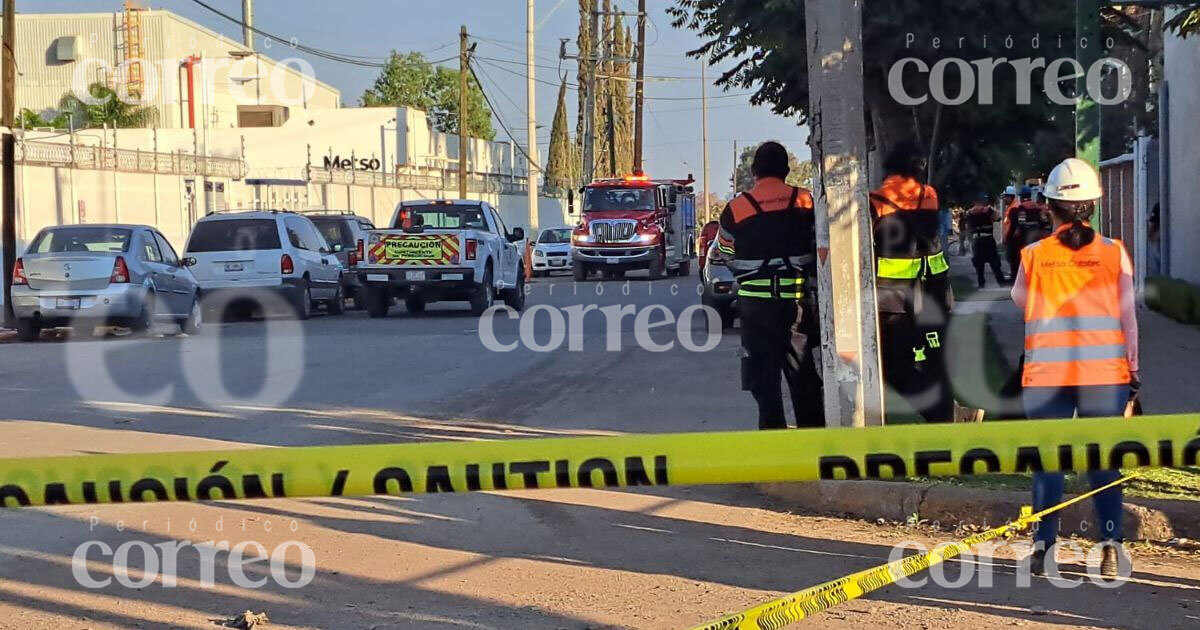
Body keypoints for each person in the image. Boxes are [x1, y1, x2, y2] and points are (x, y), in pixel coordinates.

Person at [1011, 157, 1138, 578]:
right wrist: (1132, 373)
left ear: (1050, 206)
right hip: (1106, 377)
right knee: (1104, 462)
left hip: (1047, 377)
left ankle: (1044, 549)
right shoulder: (1113, 253)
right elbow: (1127, 319)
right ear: (1094, 206)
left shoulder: (1033, 255)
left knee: (1049, 461)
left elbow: (1019, 302)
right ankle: (1110, 546)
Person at [716, 141, 824, 429]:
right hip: (796, 303)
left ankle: (772, 437)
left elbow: (723, 252)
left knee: (763, 381)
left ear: (754, 172)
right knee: (803, 375)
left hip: (755, 308)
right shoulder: (805, 201)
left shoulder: (737, 207)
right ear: (787, 170)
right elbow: (821, 244)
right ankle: (814, 441)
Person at [869, 139, 954, 423]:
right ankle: (944, 414)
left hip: (890, 299)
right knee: (933, 359)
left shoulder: (875, 201)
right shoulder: (928, 195)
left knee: (893, 368)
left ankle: (939, 415)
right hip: (930, 290)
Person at [1005, 186, 1052, 280]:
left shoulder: (1021, 208)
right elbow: (1044, 221)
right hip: (1038, 238)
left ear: (1021, 197)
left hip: (1024, 239)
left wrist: (1013, 235)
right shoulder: (1037, 208)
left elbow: (1020, 222)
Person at [964, 193, 1006, 288]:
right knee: (994, 262)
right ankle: (1002, 283)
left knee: (979, 264)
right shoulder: (988, 210)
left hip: (976, 240)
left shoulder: (969, 212)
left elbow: (967, 227)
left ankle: (981, 284)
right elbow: (998, 218)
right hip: (988, 239)